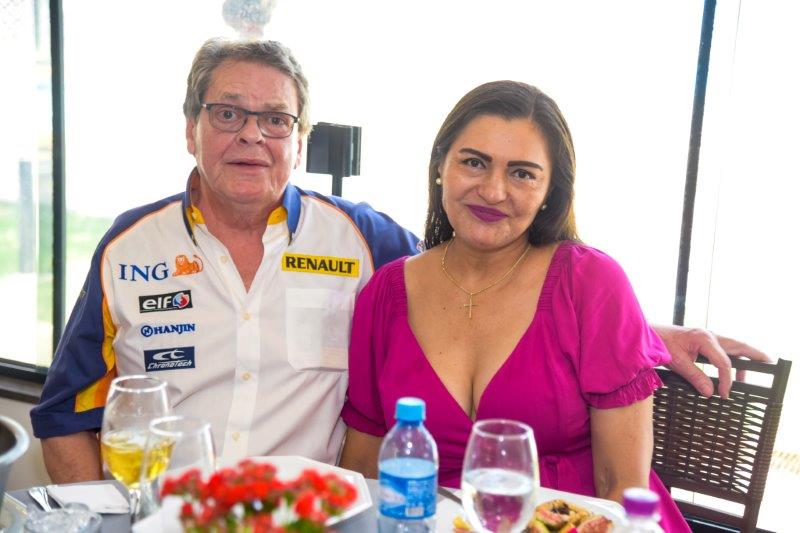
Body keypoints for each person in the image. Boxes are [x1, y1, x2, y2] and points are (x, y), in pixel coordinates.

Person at [30, 38, 767, 486]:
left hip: (310, 515)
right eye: (227, 113)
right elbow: (65, 415)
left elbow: (495, 275)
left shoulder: (364, 242)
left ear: (300, 138)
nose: (252, 136)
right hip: (172, 515)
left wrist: (641, 333)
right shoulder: (128, 248)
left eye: (276, 119)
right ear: (190, 127)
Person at [339, 81, 701, 531]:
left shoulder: (591, 283)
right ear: (440, 167)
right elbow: (364, 470)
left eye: (522, 173)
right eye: (474, 162)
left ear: (550, 190)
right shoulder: (385, 293)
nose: (493, 191)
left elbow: (622, 487)